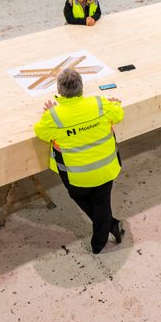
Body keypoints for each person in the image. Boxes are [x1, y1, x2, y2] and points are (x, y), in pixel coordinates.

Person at [34, 69, 126, 254]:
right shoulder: (100, 104)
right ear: (81, 87)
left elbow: (41, 133)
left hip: (76, 177)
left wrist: (51, 112)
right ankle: (101, 240)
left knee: (81, 197)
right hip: (105, 170)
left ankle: (109, 228)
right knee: (102, 202)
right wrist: (114, 105)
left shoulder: (54, 117)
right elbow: (118, 115)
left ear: (59, 91)